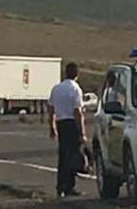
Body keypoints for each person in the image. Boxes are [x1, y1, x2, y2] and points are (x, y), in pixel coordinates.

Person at [48, 62, 86, 198]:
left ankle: (61, 186)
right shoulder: (75, 89)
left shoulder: (56, 88)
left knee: (63, 156)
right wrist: (82, 132)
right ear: (76, 75)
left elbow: (51, 109)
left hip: (60, 123)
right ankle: (69, 186)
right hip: (71, 124)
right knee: (72, 156)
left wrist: (52, 127)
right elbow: (78, 112)